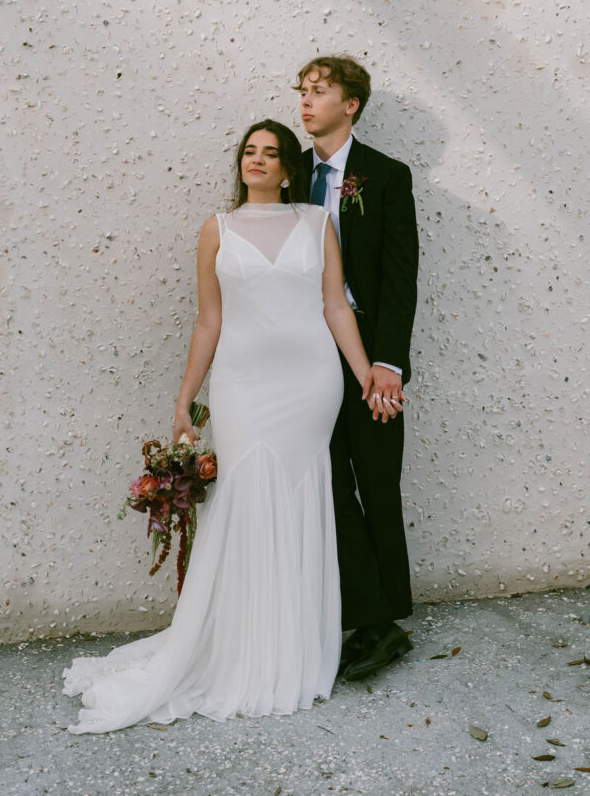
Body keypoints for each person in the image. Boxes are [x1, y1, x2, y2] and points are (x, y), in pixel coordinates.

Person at [62, 118, 374, 732]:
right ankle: (238, 649)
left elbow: (334, 305)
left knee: (300, 497)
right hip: (243, 385)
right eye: (249, 152)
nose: (257, 161)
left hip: (311, 382)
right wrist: (186, 401)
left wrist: (366, 375)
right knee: (244, 501)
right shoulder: (217, 230)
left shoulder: (317, 222)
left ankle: (294, 651)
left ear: (289, 168)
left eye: (271, 153)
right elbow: (209, 322)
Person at [297, 55, 419, 682]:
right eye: (303, 91)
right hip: (305, 357)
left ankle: (390, 617)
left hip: (370, 359)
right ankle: (363, 614)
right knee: (328, 485)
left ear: (352, 105)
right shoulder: (292, 178)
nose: (306, 102)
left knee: (377, 480)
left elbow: (401, 279)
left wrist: (388, 364)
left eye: (320, 92)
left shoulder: (387, 177)